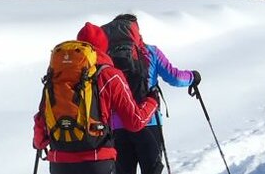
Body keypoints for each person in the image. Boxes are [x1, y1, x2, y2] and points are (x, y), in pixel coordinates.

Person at [34, 23, 161, 174]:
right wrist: (152, 101)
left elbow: (41, 130)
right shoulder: (109, 74)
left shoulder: (57, 75)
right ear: (104, 47)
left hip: (59, 163)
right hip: (97, 161)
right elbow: (135, 121)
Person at [104, 14, 201, 174]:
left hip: (116, 125)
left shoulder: (105, 57)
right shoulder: (150, 52)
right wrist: (193, 77)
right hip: (148, 121)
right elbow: (174, 77)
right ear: (136, 31)